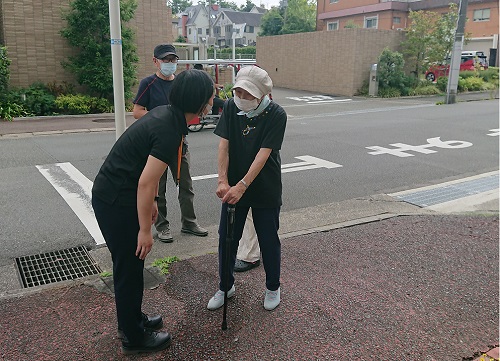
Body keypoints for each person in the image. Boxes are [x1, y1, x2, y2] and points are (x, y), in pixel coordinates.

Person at [92, 69, 215, 354]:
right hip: (115, 200)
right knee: (129, 269)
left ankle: (134, 320)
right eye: (210, 98)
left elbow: (145, 178)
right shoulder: (168, 129)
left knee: (132, 267)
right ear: (199, 103)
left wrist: (151, 211)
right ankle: (133, 339)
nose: (212, 103)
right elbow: (147, 183)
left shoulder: (166, 115)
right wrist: (146, 232)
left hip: (118, 194)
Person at [207, 66, 287, 311]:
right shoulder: (231, 106)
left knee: (268, 239)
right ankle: (225, 285)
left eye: (247, 94)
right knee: (227, 238)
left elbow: (263, 156)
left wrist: (242, 185)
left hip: (264, 185)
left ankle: (273, 287)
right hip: (233, 186)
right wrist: (223, 180)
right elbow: (224, 145)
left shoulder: (276, 114)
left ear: (262, 95)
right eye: (238, 91)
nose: (241, 97)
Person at [133, 45, 208, 243]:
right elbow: (137, 111)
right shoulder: (148, 83)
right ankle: (162, 226)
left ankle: (189, 222)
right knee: (159, 187)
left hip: (180, 142)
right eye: (166, 60)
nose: (170, 64)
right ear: (155, 61)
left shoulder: (181, 83)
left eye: (173, 60)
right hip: (157, 144)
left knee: (185, 184)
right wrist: (161, 121)